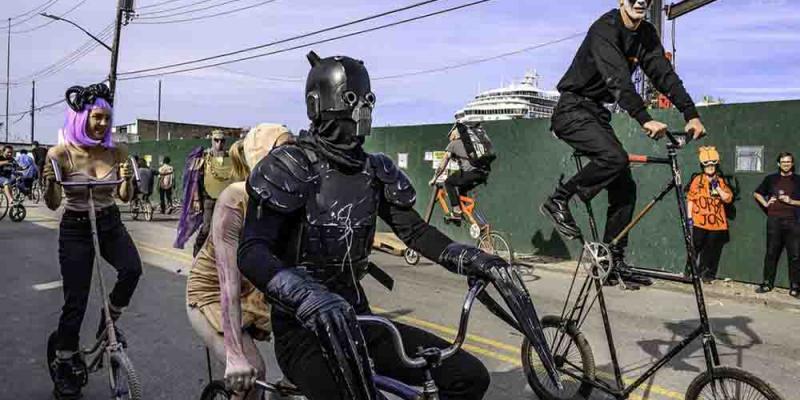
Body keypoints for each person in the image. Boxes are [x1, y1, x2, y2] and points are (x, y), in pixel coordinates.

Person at [238, 51, 559, 400]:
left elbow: (415, 231)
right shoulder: (289, 166)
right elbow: (253, 250)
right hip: (304, 332)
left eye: (366, 100)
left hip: (359, 322)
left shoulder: (374, 170)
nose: (362, 109)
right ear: (319, 105)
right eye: (350, 99)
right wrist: (306, 296)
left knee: (467, 377)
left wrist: (474, 259)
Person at [539, 0, 706, 287]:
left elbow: (664, 76)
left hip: (596, 113)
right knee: (615, 158)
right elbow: (617, 79)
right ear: (621, 2)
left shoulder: (646, 35)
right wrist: (643, 118)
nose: (641, 1)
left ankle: (612, 260)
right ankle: (559, 198)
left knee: (625, 186)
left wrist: (691, 113)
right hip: (571, 110)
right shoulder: (605, 29)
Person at [41, 83, 142, 399]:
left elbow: (124, 197)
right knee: (76, 302)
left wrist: (126, 178)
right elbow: (53, 203)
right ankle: (64, 363)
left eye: (107, 119)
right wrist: (50, 182)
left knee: (132, 270)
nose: (103, 125)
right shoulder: (61, 154)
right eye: (97, 117)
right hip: (76, 226)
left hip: (109, 221)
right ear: (81, 116)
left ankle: (107, 320)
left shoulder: (116, 152)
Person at [187, 124, 292, 400]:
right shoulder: (235, 200)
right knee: (253, 374)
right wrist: (235, 356)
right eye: (283, 150)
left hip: (258, 294)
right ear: (262, 157)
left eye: (294, 148)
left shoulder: (293, 196)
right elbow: (228, 286)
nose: (293, 158)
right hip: (212, 296)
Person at [753, 152, 800, 297]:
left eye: (788, 162)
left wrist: (791, 201)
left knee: (795, 255)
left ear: (792, 164)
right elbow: (757, 193)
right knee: (771, 253)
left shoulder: (798, 180)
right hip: (774, 221)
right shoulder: (771, 179)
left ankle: (795, 287)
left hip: (793, 221)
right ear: (778, 164)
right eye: (783, 162)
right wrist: (766, 204)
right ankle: (767, 283)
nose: (786, 164)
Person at [686, 146, 733, 283]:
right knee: (695, 247)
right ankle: (690, 271)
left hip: (716, 223)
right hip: (700, 220)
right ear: (703, 166)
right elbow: (691, 199)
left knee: (711, 250)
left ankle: (706, 274)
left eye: (713, 165)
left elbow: (727, 198)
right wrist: (689, 218)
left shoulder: (721, 181)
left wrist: (717, 187)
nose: (710, 168)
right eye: (708, 165)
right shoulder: (697, 180)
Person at [186, 130, 235, 256]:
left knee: (225, 228)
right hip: (208, 198)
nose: (219, 144)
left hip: (224, 199)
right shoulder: (204, 157)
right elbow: (194, 179)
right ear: (212, 141)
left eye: (222, 141)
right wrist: (196, 198)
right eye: (216, 140)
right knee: (207, 227)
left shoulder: (229, 158)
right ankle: (198, 249)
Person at [429, 123, 491, 221]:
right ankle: (464, 210)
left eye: (450, 136)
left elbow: (443, 163)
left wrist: (434, 178)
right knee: (460, 185)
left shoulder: (453, 144)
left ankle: (457, 212)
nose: (449, 138)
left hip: (472, 173)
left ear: (454, 134)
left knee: (449, 182)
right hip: (483, 173)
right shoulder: (470, 143)